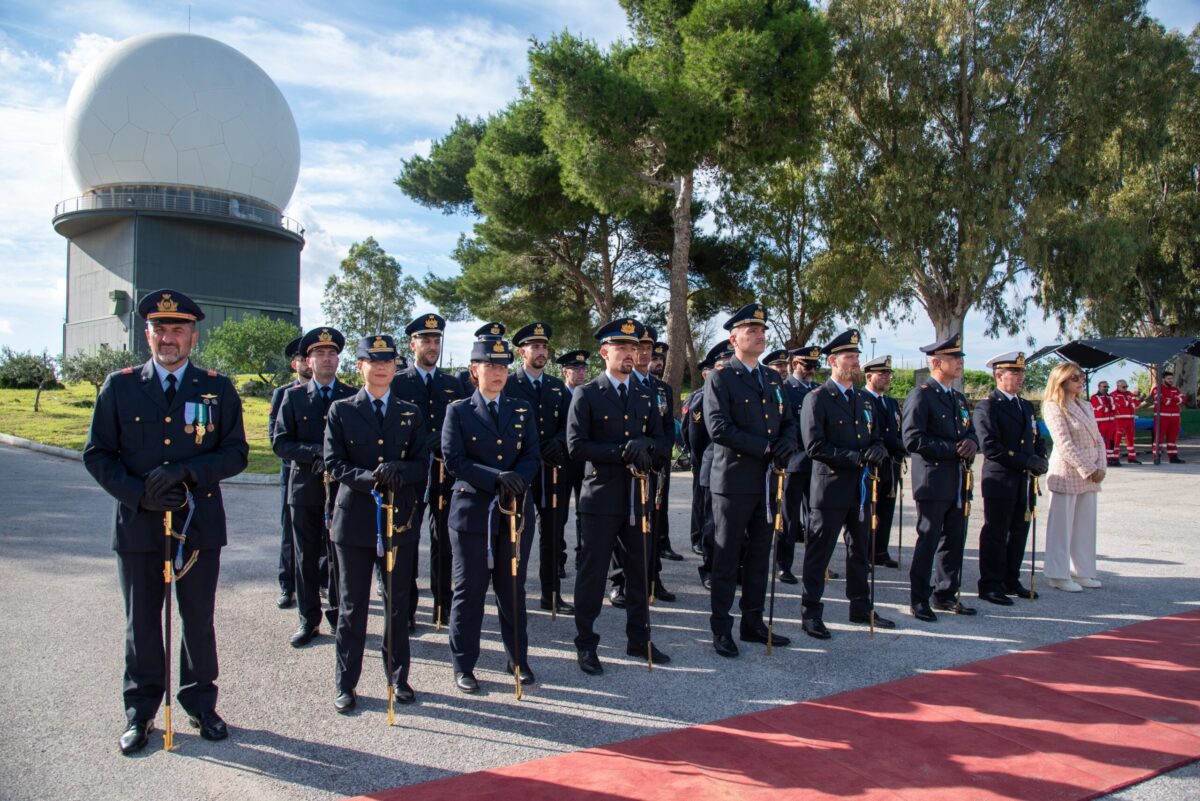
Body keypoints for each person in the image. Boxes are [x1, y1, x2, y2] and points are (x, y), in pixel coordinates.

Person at [83, 289, 248, 754]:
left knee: (198, 619)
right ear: (147, 333)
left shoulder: (217, 388)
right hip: (139, 526)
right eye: (160, 329)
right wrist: (141, 495)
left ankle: (200, 703)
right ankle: (140, 713)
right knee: (141, 624)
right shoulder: (120, 386)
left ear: (193, 335)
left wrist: (188, 472)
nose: (168, 338)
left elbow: (236, 452)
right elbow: (97, 455)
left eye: (178, 329)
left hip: (197, 525)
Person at [323, 335, 428, 712]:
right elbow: (334, 463)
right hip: (354, 522)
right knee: (353, 607)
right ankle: (346, 683)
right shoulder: (341, 410)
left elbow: (422, 464)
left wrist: (400, 469)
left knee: (398, 604)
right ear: (360, 366)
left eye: (388, 361)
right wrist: (373, 478)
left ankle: (398, 678)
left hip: (397, 522)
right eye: (373, 360)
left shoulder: (409, 411)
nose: (382, 367)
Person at [567, 318, 673, 675]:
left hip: (637, 495)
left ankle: (638, 637)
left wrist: (647, 445)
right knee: (593, 573)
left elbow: (663, 443)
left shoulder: (647, 394)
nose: (631, 354)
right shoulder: (588, 393)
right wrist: (622, 452)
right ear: (604, 353)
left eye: (634, 348)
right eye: (622, 348)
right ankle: (585, 643)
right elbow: (576, 446)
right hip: (601, 497)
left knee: (639, 572)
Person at [442, 337, 541, 692]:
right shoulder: (458, 410)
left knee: (512, 589)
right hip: (472, 514)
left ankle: (518, 659)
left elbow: (532, 455)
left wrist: (518, 480)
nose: (497, 373)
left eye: (502, 367)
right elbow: (454, 461)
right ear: (474, 371)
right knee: (469, 592)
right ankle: (464, 665)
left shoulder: (521, 409)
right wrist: (497, 477)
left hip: (514, 511)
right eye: (490, 366)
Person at [703, 303, 798, 657]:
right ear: (734, 338)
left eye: (762, 331)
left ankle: (753, 622)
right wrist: (766, 447)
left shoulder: (772, 378)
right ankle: (721, 627)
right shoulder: (722, 377)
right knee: (728, 556)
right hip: (733, 481)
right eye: (752, 331)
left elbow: (788, 419)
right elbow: (719, 428)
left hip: (768, 480)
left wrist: (786, 443)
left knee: (760, 554)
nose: (760, 336)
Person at [799, 330, 895, 639]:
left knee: (859, 550)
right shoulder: (817, 399)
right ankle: (811, 612)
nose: (855, 362)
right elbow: (814, 446)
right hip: (830, 488)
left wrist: (879, 448)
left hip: (860, 488)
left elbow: (875, 435)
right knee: (819, 551)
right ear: (832, 361)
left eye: (856, 356)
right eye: (849, 357)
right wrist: (852, 457)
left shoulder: (863, 400)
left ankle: (860, 606)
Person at [272, 327, 355, 646]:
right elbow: (280, 443)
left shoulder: (349, 396)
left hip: (340, 490)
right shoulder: (292, 397)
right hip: (304, 487)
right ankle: (309, 618)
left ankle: (338, 615)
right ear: (308, 360)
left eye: (332, 353)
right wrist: (314, 453)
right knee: (306, 556)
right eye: (320, 354)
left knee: (338, 556)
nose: (327, 359)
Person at [390, 313, 468, 630]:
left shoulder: (453, 384)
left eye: (437, 340)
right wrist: (422, 441)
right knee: (406, 539)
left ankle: (443, 603)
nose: (432, 346)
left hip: (445, 474)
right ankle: (407, 606)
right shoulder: (398, 382)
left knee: (445, 542)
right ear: (413, 344)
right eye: (426, 340)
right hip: (412, 474)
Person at [902, 333, 979, 622]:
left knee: (954, 540)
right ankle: (919, 598)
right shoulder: (921, 394)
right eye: (954, 358)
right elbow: (912, 439)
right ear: (936, 362)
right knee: (929, 539)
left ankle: (946, 593)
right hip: (933, 481)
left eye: (960, 358)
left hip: (959, 481)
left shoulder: (957, 398)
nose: (960, 363)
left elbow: (968, 431)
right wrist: (951, 449)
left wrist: (972, 443)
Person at [506, 322, 574, 613]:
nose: (541, 352)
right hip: (520, 468)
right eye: (535, 347)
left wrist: (558, 441)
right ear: (523, 352)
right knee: (515, 531)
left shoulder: (557, 386)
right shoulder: (509, 383)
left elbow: (571, 423)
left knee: (553, 532)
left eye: (544, 347)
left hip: (552, 469)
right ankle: (513, 594)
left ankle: (551, 593)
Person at [972, 352, 1048, 605]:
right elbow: (990, 446)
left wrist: (1039, 458)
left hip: (1024, 479)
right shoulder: (988, 406)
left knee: (1019, 529)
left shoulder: (1025, 405)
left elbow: (1035, 437)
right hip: (1001, 478)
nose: (1020, 378)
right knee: (997, 531)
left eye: (1021, 373)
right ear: (998, 376)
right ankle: (990, 583)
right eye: (1014, 373)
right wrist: (1025, 460)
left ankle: (1011, 579)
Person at [1041, 362, 1107, 591]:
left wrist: (1102, 466)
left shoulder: (1086, 406)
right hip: (1067, 473)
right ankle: (1057, 574)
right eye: (1074, 378)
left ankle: (1083, 571)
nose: (1080, 381)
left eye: (1080, 377)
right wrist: (1089, 468)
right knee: (1062, 526)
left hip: (1090, 474)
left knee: (1085, 525)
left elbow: (1098, 439)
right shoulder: (1053, 406)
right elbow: (1064, 443)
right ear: (1061, 381)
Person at [269, 336, 308, 609]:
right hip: (293, 473)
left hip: (327, 476)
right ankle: (288, 585)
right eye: (303, 358)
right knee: (290, 532)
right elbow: (276, 438)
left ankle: (321, 584)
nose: (307, 362)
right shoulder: (284, 394)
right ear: (295, 363)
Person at [777, 346, 822, 584]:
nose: (812, 370)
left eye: (816, 366)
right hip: (794, 462)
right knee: (790, 518)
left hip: (818, 464)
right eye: (808, 365)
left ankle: (815, 564)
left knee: (817, 517)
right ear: (795, 364)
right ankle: (784, 564)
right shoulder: (785, 389)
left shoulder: (819, 390)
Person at [861, 355, 906, 568]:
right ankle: (865, 551)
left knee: (887, 508)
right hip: (871, 463)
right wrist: (896, 443)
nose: (888, 377)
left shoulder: (890, 402)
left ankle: (880, 550)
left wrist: (901, 444)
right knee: (869, 509)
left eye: (889, 373)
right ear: (869, 376)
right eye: (883, 374)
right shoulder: (861, 398)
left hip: (890, 464)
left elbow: (899, 429)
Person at [648, 339, 682, 564]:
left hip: (661, 455)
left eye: (660, 359)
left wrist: (666, 449)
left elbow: (669, 424)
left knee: (662, 501)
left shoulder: (664, 389)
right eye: (654, 358)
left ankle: (662, 542)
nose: (658, 363)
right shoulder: (636, 383)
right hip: (643, 455)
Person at [557, 349, 590, 569]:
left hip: (585, 461)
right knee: (559, 514)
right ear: (565, 372)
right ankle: (558, 559)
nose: (580, 372)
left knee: (585, 510)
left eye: (583, 368)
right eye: (575, 369)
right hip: (561, 462)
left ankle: (582, 554)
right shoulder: (558, 394)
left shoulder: (590, 394)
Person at [1145, 370, 1186, 463]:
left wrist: (1171, 400)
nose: (1171, 380)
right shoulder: (1157, 389)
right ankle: (1157, 457)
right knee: (1159, 438)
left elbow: (1183, 398)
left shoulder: (1175, 389)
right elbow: (1161, 399)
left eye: (1172, 378)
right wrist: (1175, 401)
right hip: (1162, 417)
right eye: (1169, 378)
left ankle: (1173, 457)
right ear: (1163, 379)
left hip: (1175, 418)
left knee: (1172, 438)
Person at [1111, 380, 1142, 464]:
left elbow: (1137, 404)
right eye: (1123, 387)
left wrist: (1128, 403)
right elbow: (1118, 404)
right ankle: (1115, 458)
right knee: (1117, 439)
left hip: (1130, 419)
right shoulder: (1113, 395)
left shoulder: (1129, 394)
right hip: (1119, 420)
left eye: (1126, 386)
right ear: (1118, 386)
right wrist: (1129, 403)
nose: (1125, 388)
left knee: (1130, 439)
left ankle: (1132, 458)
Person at [1090, 381, 1118, 467]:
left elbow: (1115, 407)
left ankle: (1110, 458)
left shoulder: (1110, 397)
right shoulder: (1095, 397)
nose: (1106, 388)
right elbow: (1100, 408)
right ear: (1099, 387)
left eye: (1107, 387)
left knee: (1111, 440)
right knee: (1099, 441)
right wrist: (1110, 408)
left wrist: (1109, 408)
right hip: (1100, 422)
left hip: (1111, 422)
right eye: (1104, 386)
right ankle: (1099, 459)